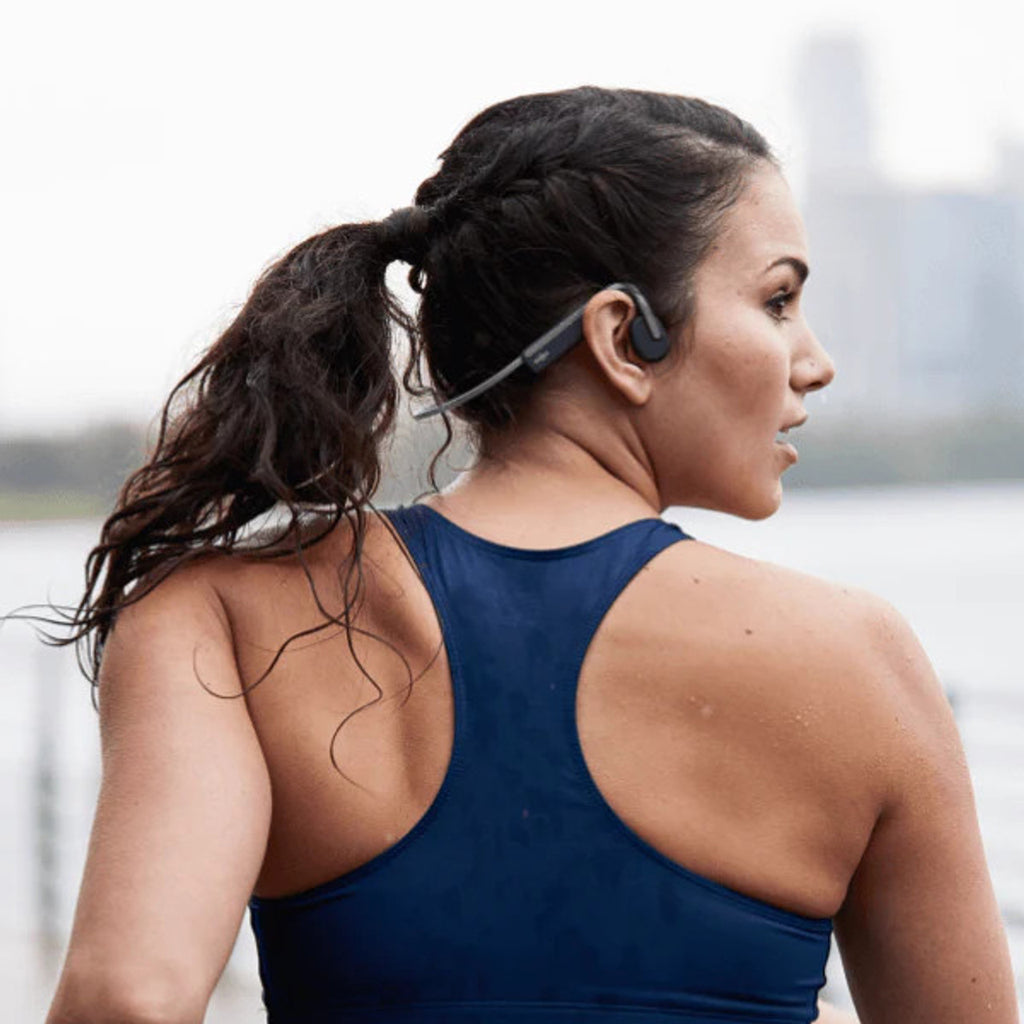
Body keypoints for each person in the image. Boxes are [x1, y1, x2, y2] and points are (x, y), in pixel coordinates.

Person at [44, 87, 1017, 1024]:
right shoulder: (856, 656)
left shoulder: (217, 612)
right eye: (776, 301)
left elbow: (129, 1002)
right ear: (621, 337)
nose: (815, 358)